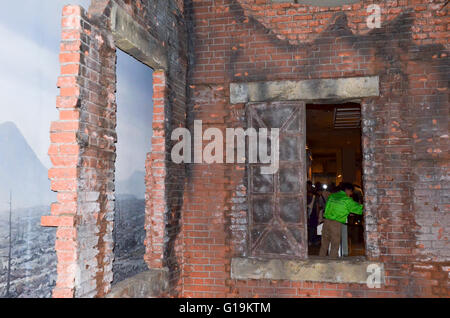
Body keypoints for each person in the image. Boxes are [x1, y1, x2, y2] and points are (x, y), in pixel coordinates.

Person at [319, 182, 363, 259]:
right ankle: (332, 262)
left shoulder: (332, 196)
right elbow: (359, 209)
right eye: (351, 192)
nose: (351, 194)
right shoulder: (347, 200)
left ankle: (320, 260)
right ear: (348, 190)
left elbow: (328, 208)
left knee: (324, 243)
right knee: (335, 244)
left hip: (326, 222)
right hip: (335, 224)